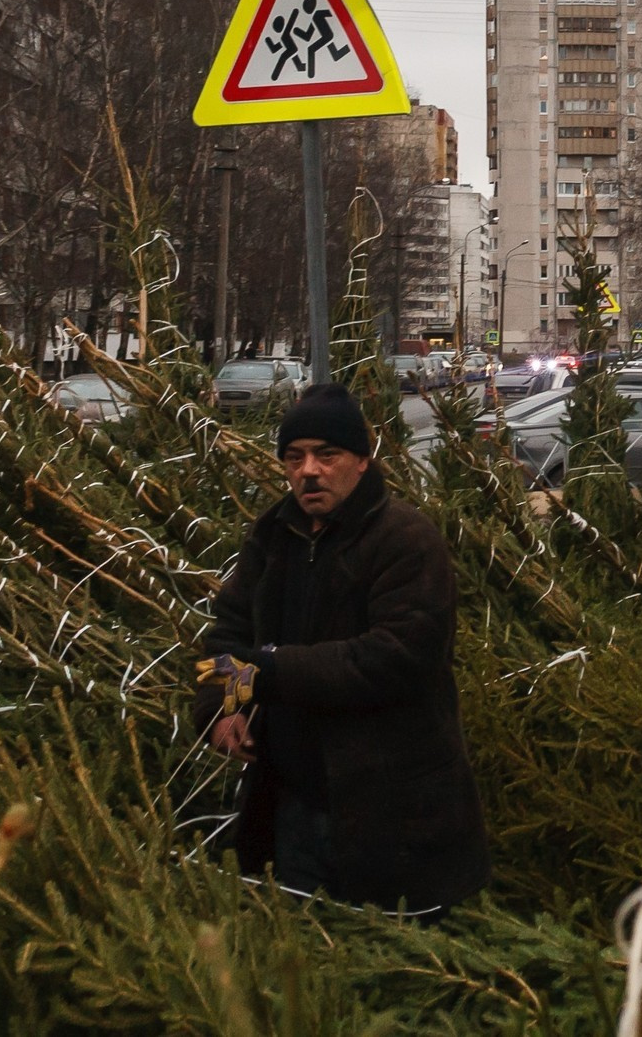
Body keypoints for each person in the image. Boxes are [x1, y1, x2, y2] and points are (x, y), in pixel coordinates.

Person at [195, 382, 489, 910]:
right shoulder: (272, 538)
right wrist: (223, 706)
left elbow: (395, 658)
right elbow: (227, 634)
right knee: (300, 945)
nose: (308, 471)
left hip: (393, 813)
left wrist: (270, 671)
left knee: (395, 947)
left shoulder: (406, 540)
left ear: (361, 460)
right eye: (294, 457)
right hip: (292, 806)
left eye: (326, 455)